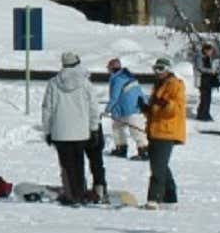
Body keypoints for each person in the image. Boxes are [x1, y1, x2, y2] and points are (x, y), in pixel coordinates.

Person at [40, 52, 104, 205]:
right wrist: (94, 128)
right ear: (77, 63)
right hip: (81, 132)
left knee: (67, 165)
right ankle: (80, 193)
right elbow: (93, 108)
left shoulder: (53, 83)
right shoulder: (85, 83)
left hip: (60, 132)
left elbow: (47, 109)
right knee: (79, 163)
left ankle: (71, 194)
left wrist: (47, 130)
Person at [142, 57, 187, 207]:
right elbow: (156, 110)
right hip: (155, 130)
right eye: (155, 69)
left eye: (161, 69)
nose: (158, 72)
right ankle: (170, 197)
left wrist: (165, 103)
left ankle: (154, 199)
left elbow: (176, 109)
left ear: (168, 69)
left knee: (158, 167)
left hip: (166, 132)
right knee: (160, 165)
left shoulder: (175, 85)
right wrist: (146, 109)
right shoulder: (158, 84)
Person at [105, 58, 149, 160]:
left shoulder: (117, 79)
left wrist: (107, 110)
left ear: (112, 68)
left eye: (109, 68)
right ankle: (123, 148)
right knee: (117, 127)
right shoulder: (129, 77)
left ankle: (142, 152)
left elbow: (114, 97)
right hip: (134, 108)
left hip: (129, 109)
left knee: (134, 131)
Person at [194, 43, 220, 122]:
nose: (211, 52)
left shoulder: (207, 57)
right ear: (205, 50)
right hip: (202, 80)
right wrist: (212, 71)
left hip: (207, 79)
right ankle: (204, 114)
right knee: (205, 98)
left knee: (206, 97)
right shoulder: (200, 57)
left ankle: (202, 113)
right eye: (210, 51)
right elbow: (200, 68)